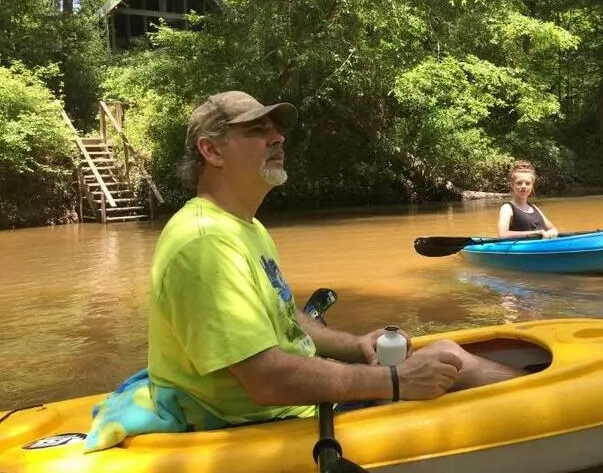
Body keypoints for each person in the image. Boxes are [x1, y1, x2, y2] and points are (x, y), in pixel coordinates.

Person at [147, 90, 525, 426]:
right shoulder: (205, 242)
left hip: (288, 405)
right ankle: (552, 397)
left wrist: (354, 345)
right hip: (264, 421)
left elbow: (281, 317)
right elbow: (266, 379)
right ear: (211, 150)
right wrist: (395, 381)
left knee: (444, 356)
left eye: (276, 130)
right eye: (256, 131)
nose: (278, 137)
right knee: (448, 358)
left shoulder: (247, 228)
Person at [497, 160, 559, 240]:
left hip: (540, 248)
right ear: (512, 185)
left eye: (527, 183)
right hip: (521, 250)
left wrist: (553, 232)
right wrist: (534, 233)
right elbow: (502, 234)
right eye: (519, 183)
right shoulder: (507, 208)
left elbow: (552, 229)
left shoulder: (534, 207)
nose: (524, 186)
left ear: (532, 185)